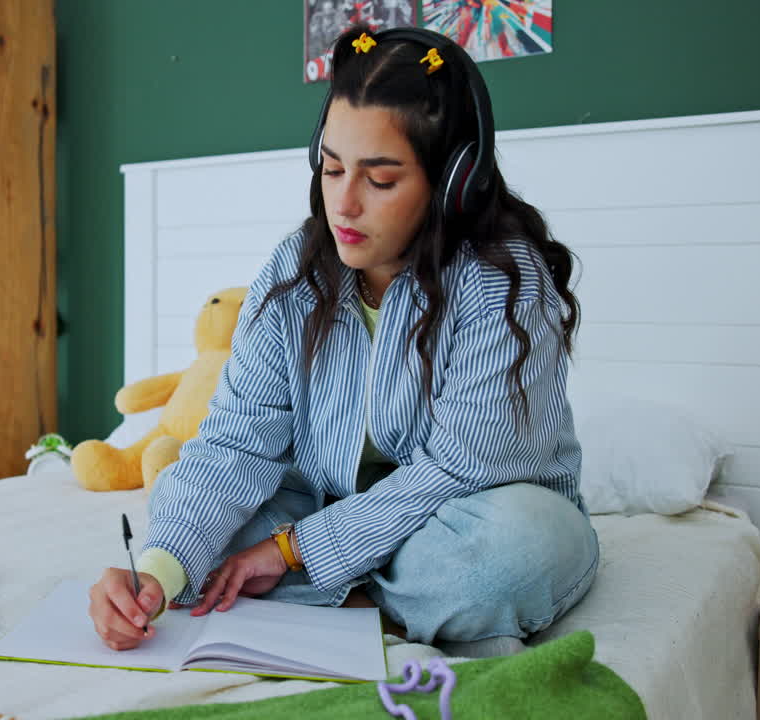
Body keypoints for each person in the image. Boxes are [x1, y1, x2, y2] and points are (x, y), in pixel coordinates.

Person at [87, 24, 598, 658]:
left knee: (509, 554)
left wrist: (294, 550)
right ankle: (378, 602)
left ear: (450, 183)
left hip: (468, 511)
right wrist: (155, 575)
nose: (344, 205)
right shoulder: (291, 272)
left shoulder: (503, 286)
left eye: (380, 181)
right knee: (181, 515)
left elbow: (456, 472)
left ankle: (327, 589)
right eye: (332, 168)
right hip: (326, 505)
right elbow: (236, 442)